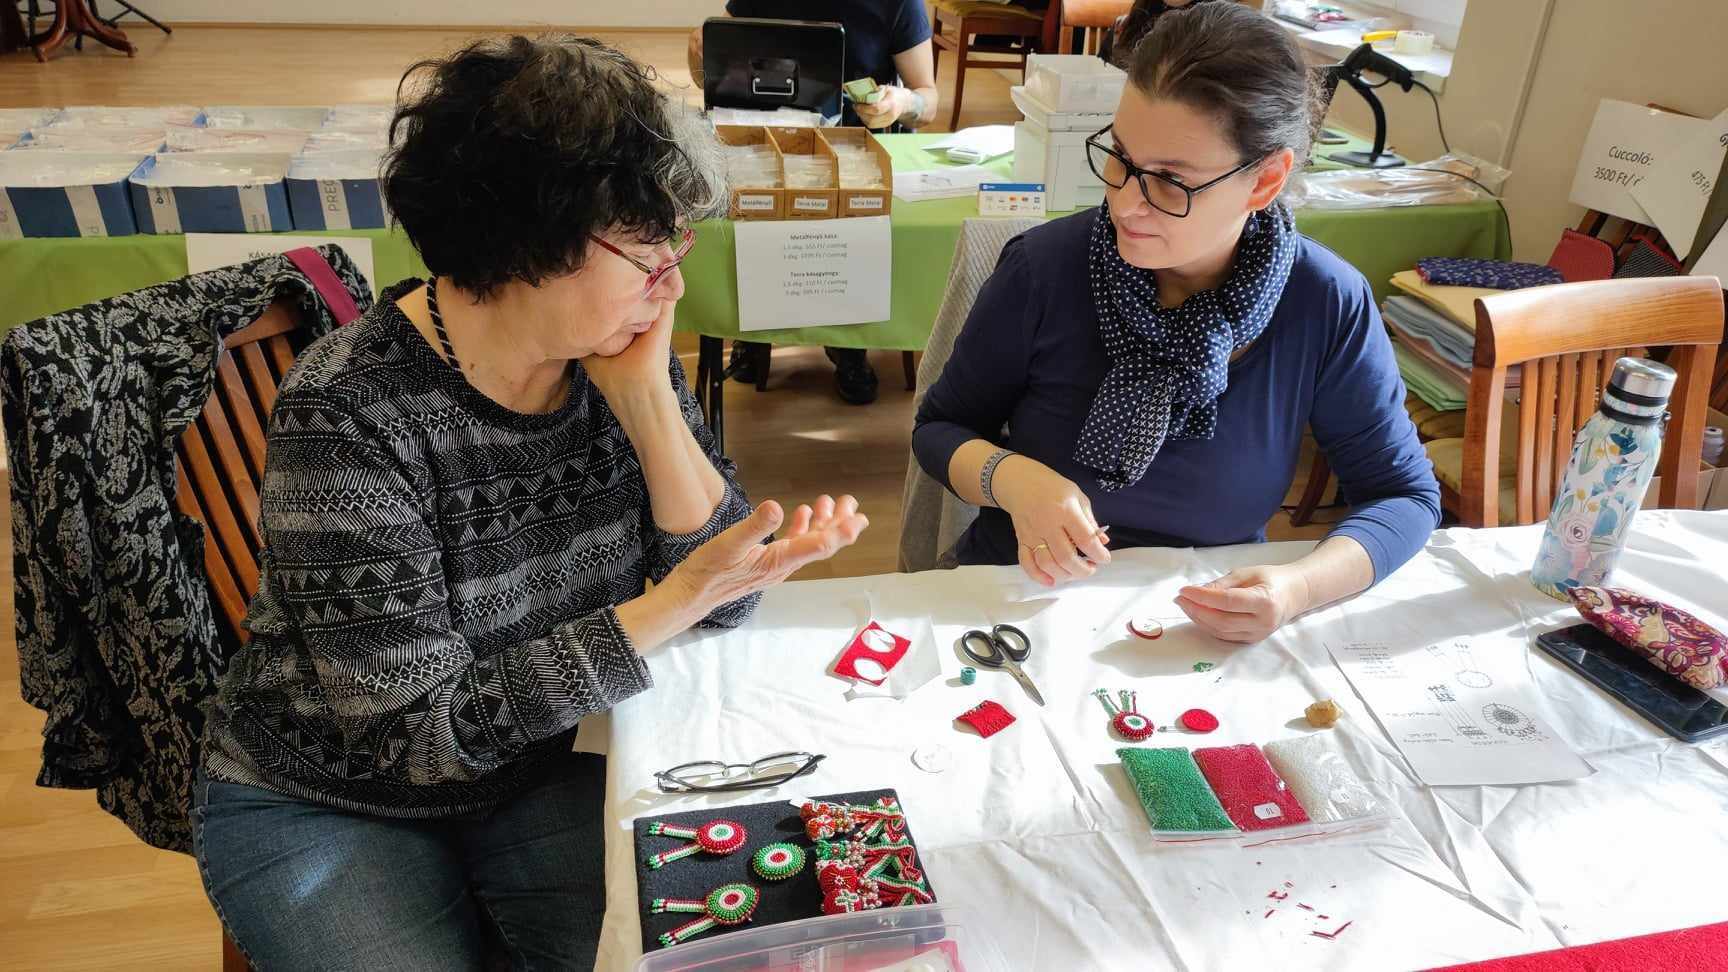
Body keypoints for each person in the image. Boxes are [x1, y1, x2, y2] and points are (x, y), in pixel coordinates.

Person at [194, 36, 868, 971]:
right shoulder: (350, 411)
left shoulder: (610, 355)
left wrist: (647, 400)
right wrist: (673, 602)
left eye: (675, 242)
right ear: (526, 246)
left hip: (544, 755)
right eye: (646, 249)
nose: (673, 281)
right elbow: (413, 736)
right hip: (332, 794)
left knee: (679, 950)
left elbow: (725, 602)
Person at [913, 3, 1439, 645]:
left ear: (1265, 180)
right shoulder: (1044, 270)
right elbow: (939, 429)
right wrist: (1013, 479)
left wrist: (1298, 587)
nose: (1125, 203)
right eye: (1120, 156)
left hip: (1202, 617)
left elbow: (1403, 498)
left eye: (1170, 181)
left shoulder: (1323, 301)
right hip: (1018, 597)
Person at [688, 0, 940, 405]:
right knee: (755, 209)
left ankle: (849, 340)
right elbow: (712, 77)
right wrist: (698, 53)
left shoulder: (898, 4)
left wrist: (902, 102)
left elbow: (929, 101)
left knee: (838, 216)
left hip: (854, 150)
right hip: (764, 140)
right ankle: (753, 327)